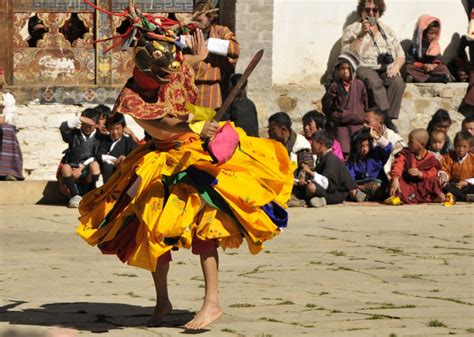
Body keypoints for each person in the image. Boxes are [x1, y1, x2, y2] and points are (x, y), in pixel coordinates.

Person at [76, 5, 294, 331]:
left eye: (170, 73)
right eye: (161, 76)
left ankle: (212, 302)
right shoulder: (132, 99)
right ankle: (163, 300)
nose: (170, 78)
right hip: (160, 157)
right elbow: (163, 123)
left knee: (206, 226)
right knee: (150, 229)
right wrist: (195, 126)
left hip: (192, 157)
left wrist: (200, 54)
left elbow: (188, 65)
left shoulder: (172, 70)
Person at [342, 0, 405, 132]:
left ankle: (388, 118)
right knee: (373, 81)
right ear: (361, 11)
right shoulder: (353, 29)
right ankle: (387, 121)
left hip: (386, 68)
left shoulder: (387, 30)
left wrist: (396, 67)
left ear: (380, 12)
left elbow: (400, 53)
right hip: (363, 66)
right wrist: (361, 35)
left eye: (375, 10)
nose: (371, 13)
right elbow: (346, 54)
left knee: (397, 82)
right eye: (367, 9)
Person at [183, 0, 240, 109]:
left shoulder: (221, 31)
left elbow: (235, 48)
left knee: (211, 120)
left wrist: (209, 43)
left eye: (200, 20)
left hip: (212, 87)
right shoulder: (190, 33)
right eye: (195, 21)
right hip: (190, 86)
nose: (197, 24)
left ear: (211, 17)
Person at [322, 51, 368, 156]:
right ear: (338, 71)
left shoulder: (359, 84)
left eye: (348, 69)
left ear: (352, 69)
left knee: (358, 151)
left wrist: (363, 117)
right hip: (341, 125)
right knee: (343, 153)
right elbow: (327, 106)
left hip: (357, 124)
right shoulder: (335, 86)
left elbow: (365, 102)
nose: (345, 71)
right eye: (342, 69)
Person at [299, 130, 360, 207]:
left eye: (313, 143)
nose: (311, 146)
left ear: (321, 144)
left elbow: (328, 184)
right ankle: (319, 199)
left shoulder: (331, 159)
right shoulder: (322, 158)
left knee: (311, 187)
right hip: (329, 190)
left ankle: (322, 199)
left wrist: (310, 172)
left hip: (336, 193)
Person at [58, 108, 101, 208]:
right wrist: (79, 118)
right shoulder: (73, 135)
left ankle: (91, 191)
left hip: (87, 169)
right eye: (85, 124)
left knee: (95, 165)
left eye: (90, 125)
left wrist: (81, 168)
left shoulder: (99, 137)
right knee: (65, 168)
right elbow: (63, 128)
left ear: (95, 125)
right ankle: (75, 195)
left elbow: (97, 156)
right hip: (72, 168)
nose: (87, 127)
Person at [388, 129, 444, 204]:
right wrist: (395, 178)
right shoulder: (405, 153)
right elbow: (398, 164)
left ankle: (433, 197)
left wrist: (421, 174)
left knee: (434, 179)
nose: (408, 143)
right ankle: (405, 197)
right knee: (399, 182)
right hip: (408, 182)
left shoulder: (430, 157)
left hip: (423, 184)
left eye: (411, 142)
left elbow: (433, 172)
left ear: (422, 144)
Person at [403, 15, 453, 83]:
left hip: (431, 69)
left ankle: (420, 78)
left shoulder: (434, 45)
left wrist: (433, 65)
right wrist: (423, 66)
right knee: (408, 68)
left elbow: (438, 59)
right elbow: (409, 61)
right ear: (422, 32)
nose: (434, 36)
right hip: (420, 69)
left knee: (443, 68)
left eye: (436, 33)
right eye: (431, 33)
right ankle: (434, 79)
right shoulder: (414, 46)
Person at [346, 127, 392, 200]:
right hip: (359, 184)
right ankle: (360, 195)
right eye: (361, 146)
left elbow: (388, 147)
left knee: (376, 187)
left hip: (377, 184)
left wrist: (375, 136)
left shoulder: (377, 153)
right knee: (351, 190)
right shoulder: (353, 160)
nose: (364, 149)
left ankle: (363, 195)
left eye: (367, 145)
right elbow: (350, 177)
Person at [362, 108, 405, 178]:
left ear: (380, 123)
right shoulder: (362, 136)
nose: (364, 125)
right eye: (363, 122)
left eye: (367, 122)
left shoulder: (394, 139)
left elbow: (400, 161)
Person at [97, 113, 138, 183]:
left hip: (123, 177)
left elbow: (136, 156)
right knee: (107, 166)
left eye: (117, 128)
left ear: (123, 127)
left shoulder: (129, 142)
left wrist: (125, 159)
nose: (115, 132)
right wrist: (113, 160)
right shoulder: (103, 141)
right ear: (108, 129)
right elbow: (99, 155)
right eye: (112, 129)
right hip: (107, 175)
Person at [0, 69, 24, 181]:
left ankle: (9, 171)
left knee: (8, 130)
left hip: (1, 124)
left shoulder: (7, 97)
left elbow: (8, 117)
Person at [438, 131, 474, 202]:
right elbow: (444, 168)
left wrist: (466, 182)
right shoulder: (449, 157)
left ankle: (457, 196)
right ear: (454, 145)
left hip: (467, 186)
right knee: (444, 186)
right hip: (453, 185)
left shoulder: (472, 159)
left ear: (470, 148)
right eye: (458, 146)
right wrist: (443, 175)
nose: (461, 149)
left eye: (464, 146)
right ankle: (463, 197)